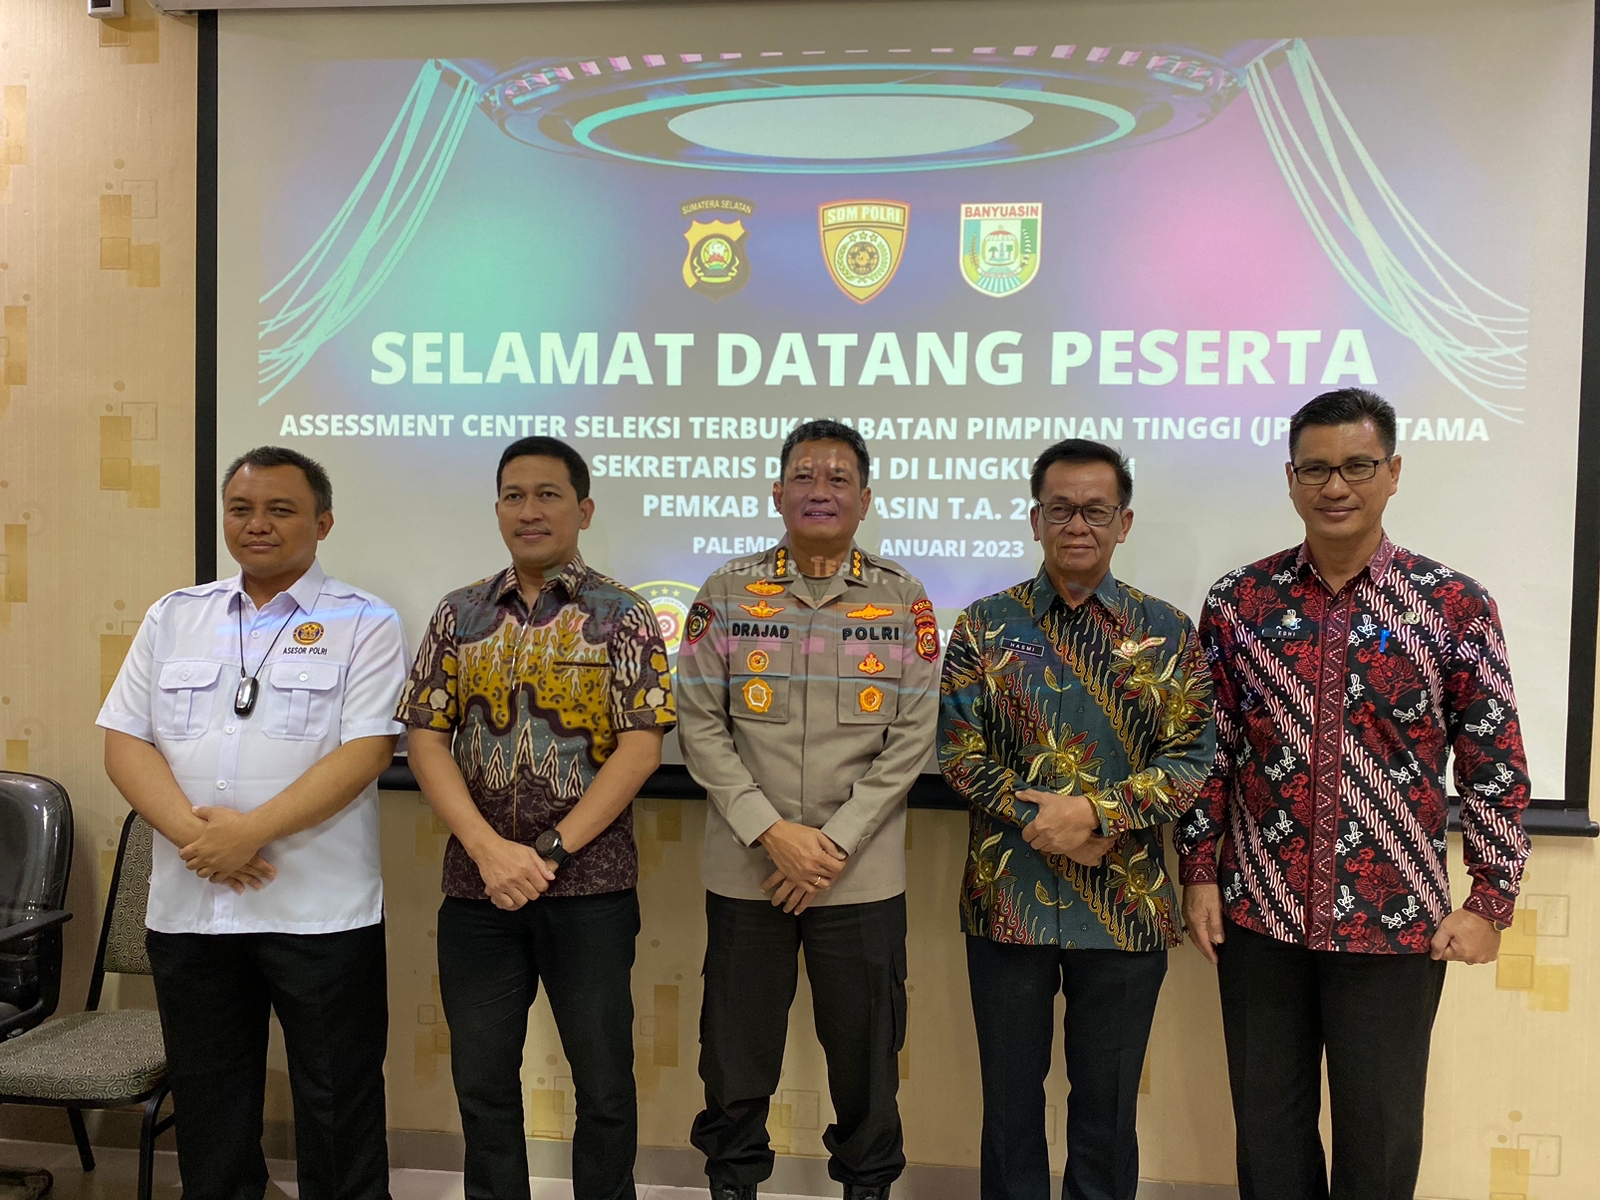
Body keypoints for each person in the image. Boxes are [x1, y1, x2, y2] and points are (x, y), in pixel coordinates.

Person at [1175, 388, 1531, 1200]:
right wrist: (1197, 869)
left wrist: (1491, 899)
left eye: (1357, 466)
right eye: (1316, 469)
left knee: (1380, 1139)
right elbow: (1208, 752)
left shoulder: (1454, 605)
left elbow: (1494, 761)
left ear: (1393, 472)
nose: (1336, 486)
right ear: (1291, 479)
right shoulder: (1239, 604)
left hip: (1394, 924)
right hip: (1260, 914)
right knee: (1268, 1134)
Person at [98, 446, 405, 1200]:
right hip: (192, 907)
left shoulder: (366, 621)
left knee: (338, 1102)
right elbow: (126, 742)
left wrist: (247, 833)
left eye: (280, 509)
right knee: (211, 1109)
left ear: (322, 523)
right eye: (241, 509)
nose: (257, 524)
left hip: (319, 911)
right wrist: (201, 838)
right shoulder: (176, 615)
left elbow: (367, 751)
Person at [397, 436, 675, 1200]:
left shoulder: (623, 613)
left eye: (548, 494)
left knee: (605, 1085)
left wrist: (547, 851)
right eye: (514, 496)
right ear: (496, 510)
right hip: (478, 891)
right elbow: (425, 739)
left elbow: (641, 748)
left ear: (583, 510)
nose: (530, 510)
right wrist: (489, 851)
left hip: (590, 891)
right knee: (483, 1084)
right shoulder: (459, 613)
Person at [938, 438, 1215, 1200]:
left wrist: (1095, 815)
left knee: (1107, 1112)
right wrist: (1047, 825)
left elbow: (1193, 758)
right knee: (1009, 1109)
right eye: (1061, 510)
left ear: (1124, 522)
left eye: (1096, 510)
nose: (1078, 525)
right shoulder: (984, 627)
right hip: (1008, 902)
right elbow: (959, 753)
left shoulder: (1168, 632)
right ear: (1037, 520)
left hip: (1125, 904)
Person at [675, 419, 940, 1200]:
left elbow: (913, 735)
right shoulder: (727, 591)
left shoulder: (902, 598)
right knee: (734, 1056)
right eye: (804, 475)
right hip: (748, 870)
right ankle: (733, 1185)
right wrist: (772, 834)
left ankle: (867, 1187)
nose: (820, 490)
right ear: (777, 492)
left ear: (865, 498)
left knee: (866, 1062)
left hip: (858, 877)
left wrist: (831, 845)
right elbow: (699, 723)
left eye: (837, 478)